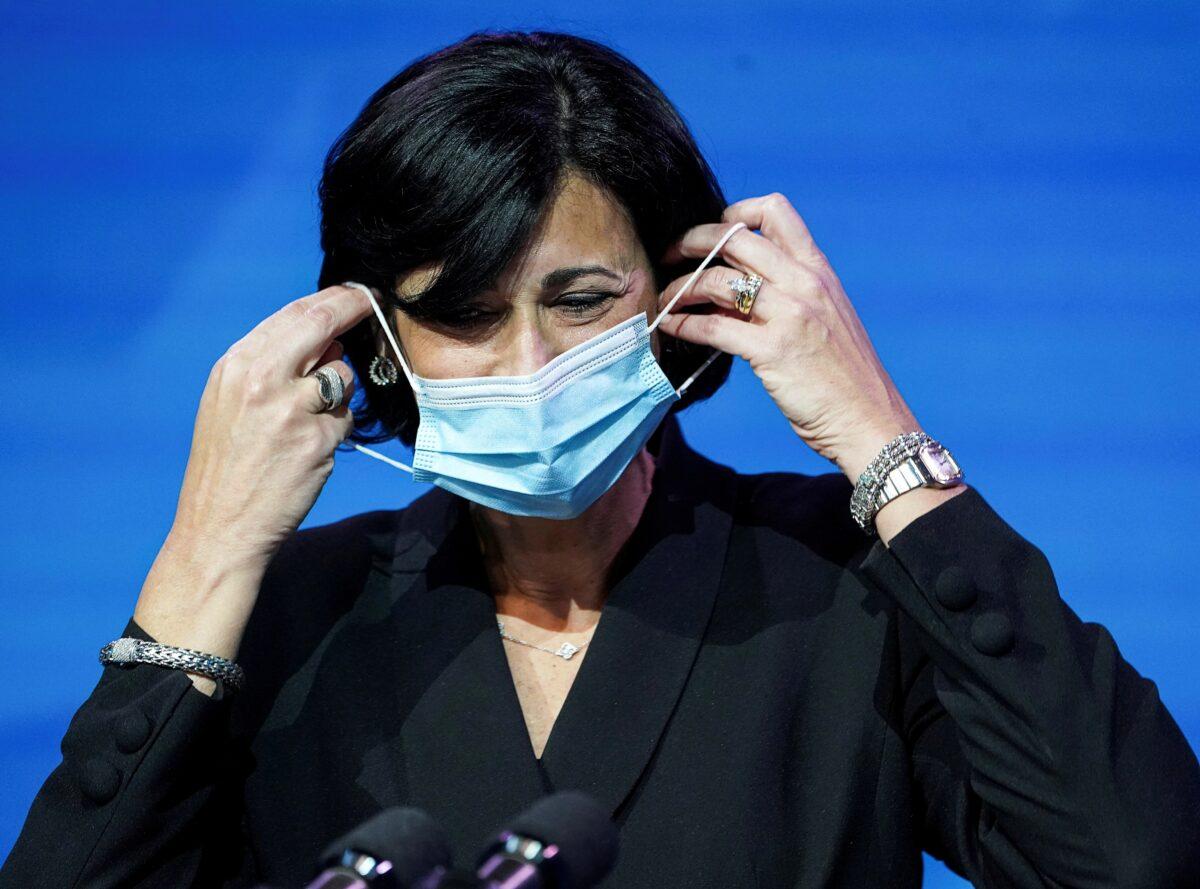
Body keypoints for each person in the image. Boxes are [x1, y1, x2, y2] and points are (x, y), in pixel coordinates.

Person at [2, 28, 1198, 889]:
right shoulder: (284, 618)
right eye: (463, 315)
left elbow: (1135, 856)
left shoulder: (847, 580)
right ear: (372, 337)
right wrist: (206, 555)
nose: (525, 363)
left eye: (578, 301)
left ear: (682, 296)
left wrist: (881, 439)